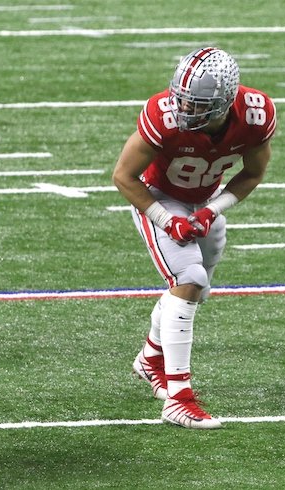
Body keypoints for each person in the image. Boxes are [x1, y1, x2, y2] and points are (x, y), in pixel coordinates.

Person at [112, 47, 276, 429]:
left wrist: (211, 210)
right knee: (189, 280)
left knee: (194, 292)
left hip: (203, 203)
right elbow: (123, 175)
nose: (184, 108)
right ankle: (179, 398)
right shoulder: (164, 117)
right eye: (182, 98)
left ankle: (151, 358)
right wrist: (165, 220)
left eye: (197, 103)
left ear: (224, 103)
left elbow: (252, 173)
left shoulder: (254, 115)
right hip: (158, 199)